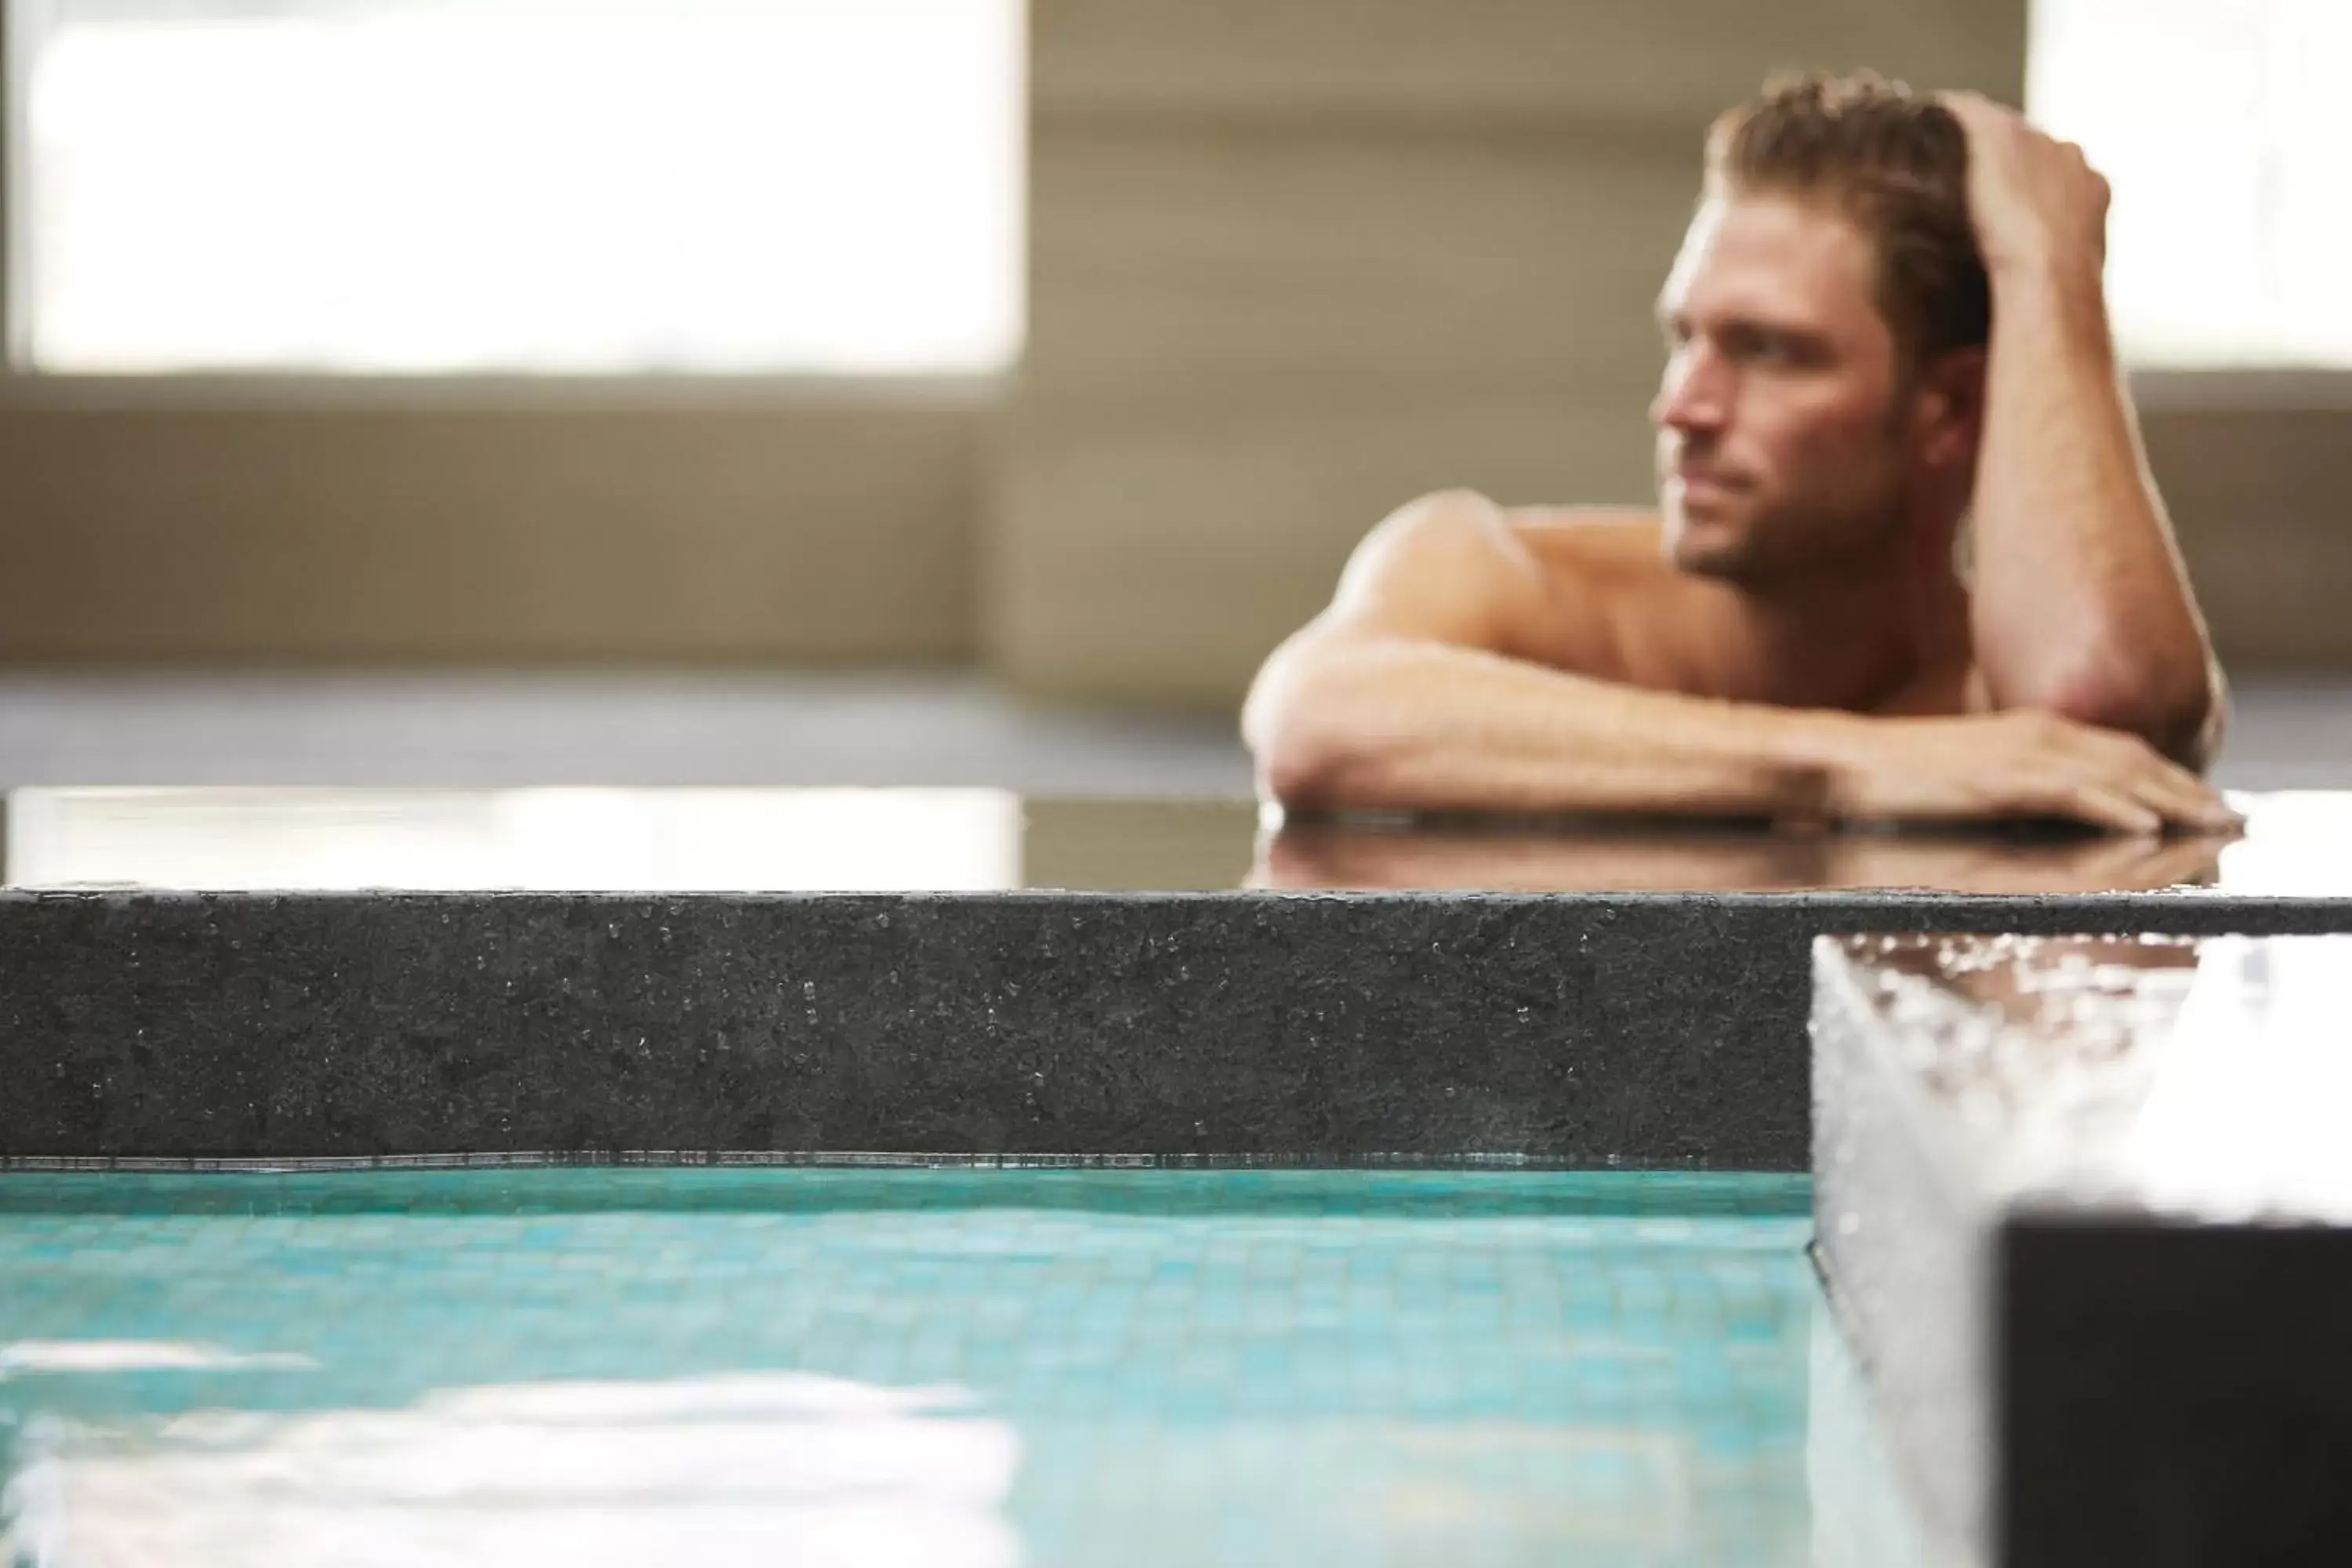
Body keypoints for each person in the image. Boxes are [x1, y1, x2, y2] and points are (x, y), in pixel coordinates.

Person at [1243, 73, 2238, 834]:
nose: (1683, 406)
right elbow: (1314, 716)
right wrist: (1849, 765)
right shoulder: (1498, 579)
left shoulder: (2002, 707)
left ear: (1950, 408)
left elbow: (2105, 701)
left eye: (1770, 351)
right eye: (1687, 338)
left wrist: (2049, 262)